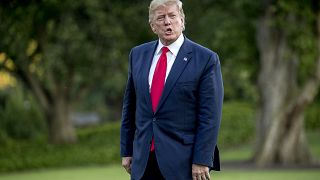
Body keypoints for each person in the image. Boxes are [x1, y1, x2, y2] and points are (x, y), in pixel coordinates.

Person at [120, 0, 223, 179]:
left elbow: (210, 116)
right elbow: (130, 107)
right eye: (161, 17)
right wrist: (127, 150)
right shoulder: (137, 55)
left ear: (182, 21)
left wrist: (202, 159)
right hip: (143, 161)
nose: (167, 22)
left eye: (172, 16)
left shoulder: (206, 59)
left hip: (183, 161)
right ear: (153, 26)